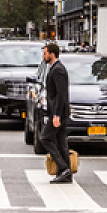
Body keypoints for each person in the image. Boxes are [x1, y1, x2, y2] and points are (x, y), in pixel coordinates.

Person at [41, 42, 75, 184]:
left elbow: (60, 95)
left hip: (58, 113)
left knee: (45, 138)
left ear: (52, 54)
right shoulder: (55, 68)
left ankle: (63, 167)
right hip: (59, 112)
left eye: (45, 53)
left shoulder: (57, 70)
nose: (43, 56)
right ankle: (66, 174)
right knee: (61, 142)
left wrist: (56, 115)